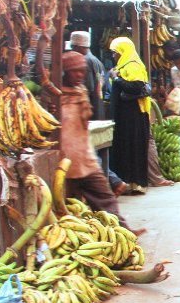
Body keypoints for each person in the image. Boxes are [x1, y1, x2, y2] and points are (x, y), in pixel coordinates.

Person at [58, 51, 138, 231]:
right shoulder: (56, 96)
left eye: (82, 71)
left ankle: (123, 231)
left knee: (105, 198)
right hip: (64, 160)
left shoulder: (81, 92)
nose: (79, 75)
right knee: (67, 206)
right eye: (74, 71)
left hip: (84, 156)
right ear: (65, 72)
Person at [108, 37, 151, 195]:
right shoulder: (122, 65)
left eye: (115, 53)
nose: (113, 56)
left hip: (134, 115)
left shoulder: (133, 65)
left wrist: (117, 79)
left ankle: (137, 183)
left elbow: (136, 86)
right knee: (126, 148)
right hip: (125, 115)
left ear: (123, 52)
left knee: (135, 147)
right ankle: (128, 182)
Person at [69, 31, 105, 119]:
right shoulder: (97, 61)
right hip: (98, 107)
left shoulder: (84, 61)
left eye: (73, 47)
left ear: (78, 46)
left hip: (88, 109)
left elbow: (87, 87)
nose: (72, 51)